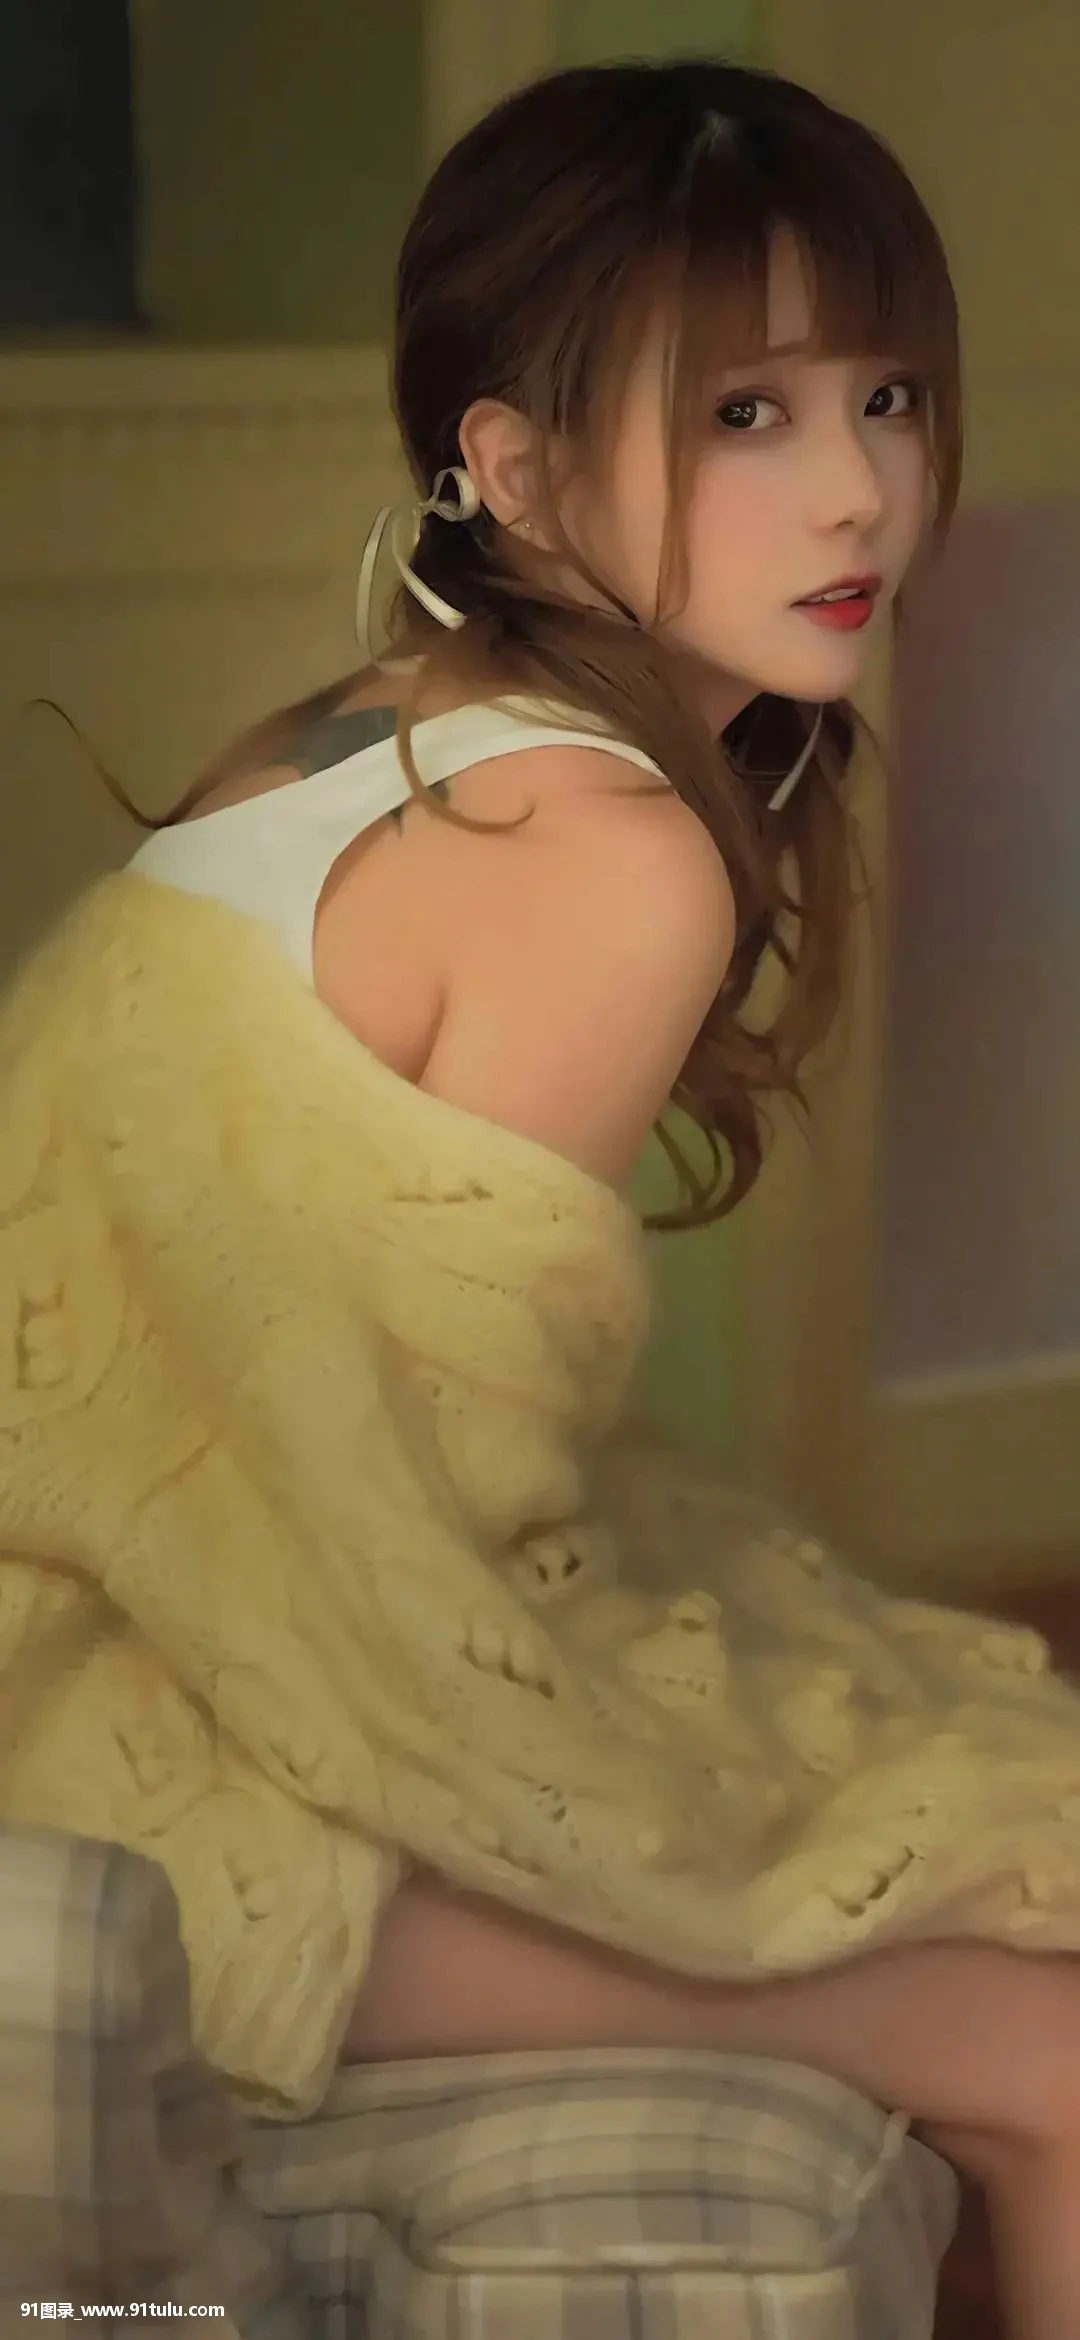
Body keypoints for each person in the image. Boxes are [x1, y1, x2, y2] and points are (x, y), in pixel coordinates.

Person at [7, 59, 1080, 2337]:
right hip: (152, 1783)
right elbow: (414, 1596)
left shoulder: (353, 721)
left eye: (884, 397)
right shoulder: (609, 857)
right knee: (1055, 2037)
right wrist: (742, 1813)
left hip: (100, 1659)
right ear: (507, 469)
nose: (861, 487)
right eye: (746, 415)